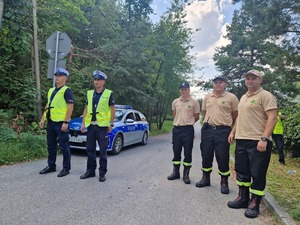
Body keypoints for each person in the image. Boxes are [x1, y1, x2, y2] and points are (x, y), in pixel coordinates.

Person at [227, 69, 277, 218]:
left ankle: (255, 203)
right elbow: (239, 118)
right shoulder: (243, 97)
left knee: (257, 173)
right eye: (247, 78)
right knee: (242, 171)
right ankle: (243, 198)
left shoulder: (266, 96)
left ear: (260, 80)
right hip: (242, 139)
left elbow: (273, 118)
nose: (250, 80)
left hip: (258, 141)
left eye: (253, 78)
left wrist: (264, 138)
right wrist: (233, 131)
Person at [195, 76, 239, 194]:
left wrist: (232, 132)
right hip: (208, 129)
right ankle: (205, 178)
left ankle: (224, 182)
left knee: (222, 156)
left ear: (225, 84)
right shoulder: (207, 97)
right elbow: (205, 112)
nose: (217, 84)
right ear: (213, 84)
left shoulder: (231, 97)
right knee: (206, 154)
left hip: (223, 130)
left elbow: (236, 116)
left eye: (220, 82)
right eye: (215, 82)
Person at [80, 70, 115, 182]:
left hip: (102, 126)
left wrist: (111, 123)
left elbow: (112, 109)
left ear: (103, 81)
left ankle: (102, 172)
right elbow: (86, 108)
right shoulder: (90, 93)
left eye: (99, 80)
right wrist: (83, 123)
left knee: (103, 151)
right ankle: (90, 171)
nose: (96, 82)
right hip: (91, 125)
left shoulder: (109, 93)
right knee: (90, 149)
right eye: (95, 80)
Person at [39, 68, 74, 177]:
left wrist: (66, 122)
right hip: (51, 122)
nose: (57, 78)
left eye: (59, 76)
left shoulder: (67, 90)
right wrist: (43, 118)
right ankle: (51, 166)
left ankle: (66, 168)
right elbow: (48, 105)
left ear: (65, 78)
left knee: (64, 146)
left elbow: (70, 107)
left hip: (61, 123)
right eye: (56, 75)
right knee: (51, 145)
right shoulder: (51, 90)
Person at [167, 82, 200, 184]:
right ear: (179, 90)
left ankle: (186, 175)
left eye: (185, 89)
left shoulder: (194, 102)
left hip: (188, 130)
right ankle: (175, 172)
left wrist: (188, 123)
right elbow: (174, 115)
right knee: (176, 152)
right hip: (177, 129)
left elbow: (197, 117)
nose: (183, 90)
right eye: (181, 89)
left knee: (187, 153)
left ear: (189, 90)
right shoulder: (175, 102)